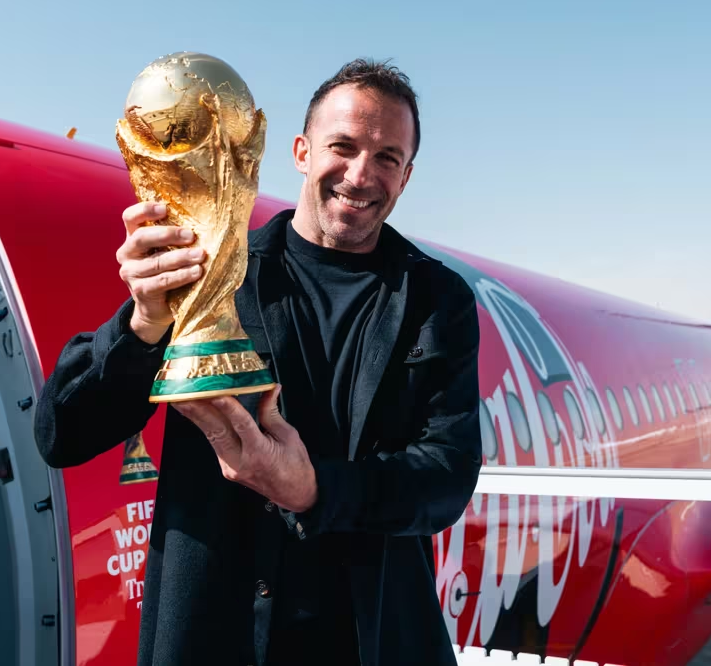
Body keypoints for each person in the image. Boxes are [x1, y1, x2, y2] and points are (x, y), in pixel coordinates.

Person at [34, 58, 482, 666]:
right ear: (300, 151)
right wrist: (143, 324)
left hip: (368, 636)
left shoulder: (435, 298)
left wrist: (314, 489)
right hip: (218, 635)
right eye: (342, 147)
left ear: (405, 177)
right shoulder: (213, 271)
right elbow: (63, 432)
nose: (360, 174)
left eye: (386, 158)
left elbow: (446, 475)